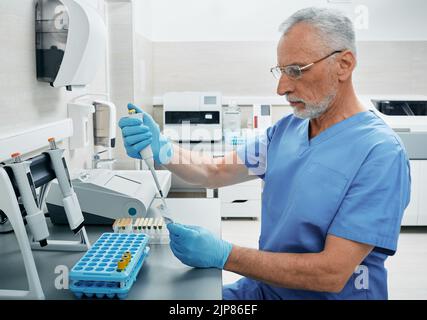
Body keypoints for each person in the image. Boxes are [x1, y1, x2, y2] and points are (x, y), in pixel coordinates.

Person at [118, 7, 411, 300]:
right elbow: (215, 171)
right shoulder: (288, 130)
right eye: (281, 71)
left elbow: (331, 273)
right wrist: (162, 150)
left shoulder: (379, 153)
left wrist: (224, 254)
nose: (281, 87)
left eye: (296, 70)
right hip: (264, 291)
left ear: (343, 65)